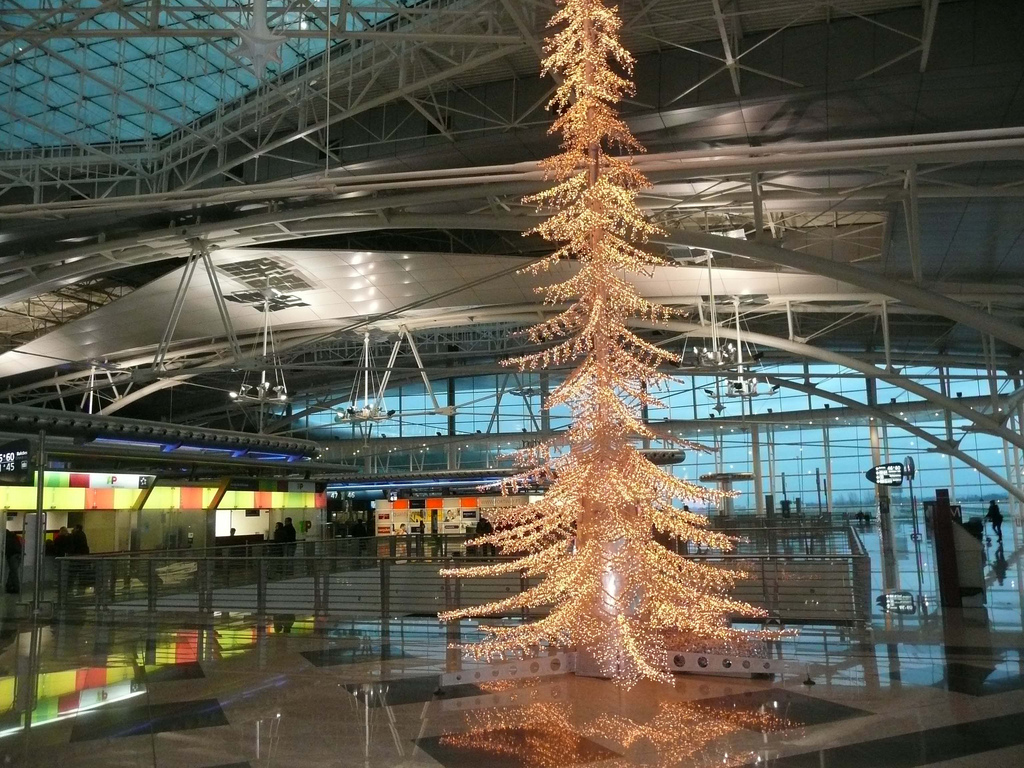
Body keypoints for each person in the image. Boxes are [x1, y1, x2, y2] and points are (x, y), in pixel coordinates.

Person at [5, 529, 22, 594]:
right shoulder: (14, 536)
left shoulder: (6, 537)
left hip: (12, 555)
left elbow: (7, 547)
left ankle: (16, 588)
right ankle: (9, 586)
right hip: (18, 555)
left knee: (14, 572)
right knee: (13, 571)